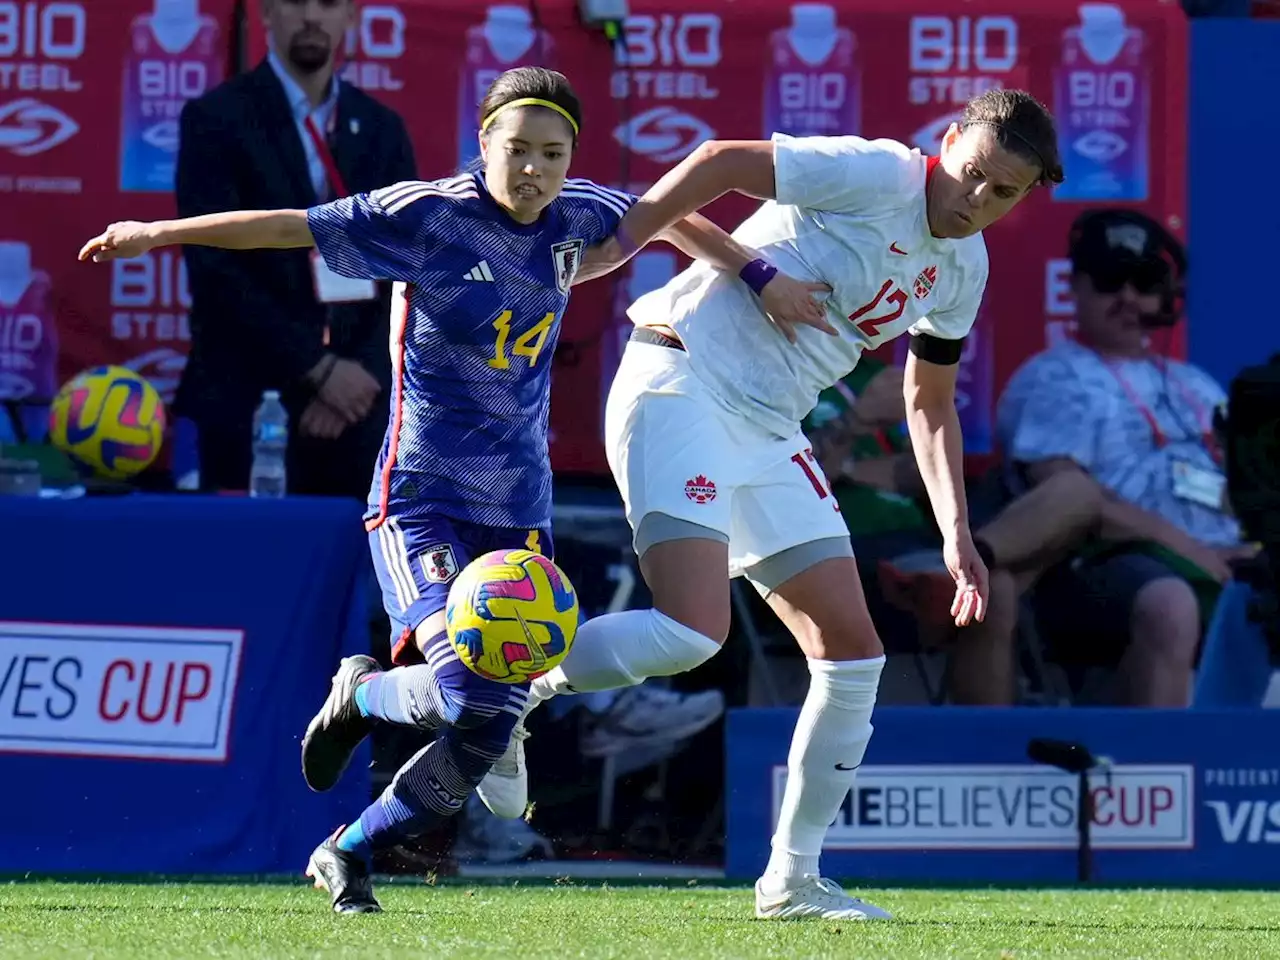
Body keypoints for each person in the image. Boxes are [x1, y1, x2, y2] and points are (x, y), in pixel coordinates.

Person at [79, 67, 828, 914]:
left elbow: (667, 219)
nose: (535, 169)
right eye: (518, 150)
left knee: (483, 724)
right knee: (473, 692)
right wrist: (158, 232)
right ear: (484, 146)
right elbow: (289, 227)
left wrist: (761, 277)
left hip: (519, 514)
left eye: (553, 153)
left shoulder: (576, 212)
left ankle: (347, 848)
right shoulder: (428, 217)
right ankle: (361, 693)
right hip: (420, 501)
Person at [479, 88, 1063, 920]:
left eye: (1003, 192)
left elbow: (928, 401)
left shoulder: (964, 269)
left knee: (854, 657)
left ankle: (791, 880)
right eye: (972, 175)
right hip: (679, 377)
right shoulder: (877, 172)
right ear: (947, 144)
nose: (976, 201)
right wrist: (647, 250)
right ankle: (510, 695)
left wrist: (956, 532)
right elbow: (718, 162)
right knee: (691, 631)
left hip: (767, 426)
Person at [997, 209, 1254, 706]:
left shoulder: (1197, 385)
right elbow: (1067, 496)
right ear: (1077, 286)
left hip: (1219, 556)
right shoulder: (1053, 377)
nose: (1129, 298)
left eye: (1144, 283)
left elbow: (1242, 486)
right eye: (1112, 281)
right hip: (1101, 560)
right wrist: (1188, 549)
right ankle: (1163, 771)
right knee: (1170, 603)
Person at [174, 0, 416, 497]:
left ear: (350, 15)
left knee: (355, 569)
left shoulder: (382, 129)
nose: (311, 17)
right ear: (265, 14)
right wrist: (317, 369)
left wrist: (361, 374)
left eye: (327, 4)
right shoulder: (216, 120)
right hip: (247, 401)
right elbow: (215, 270)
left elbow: (408, 266)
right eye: (295, 2)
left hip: (360, 410)